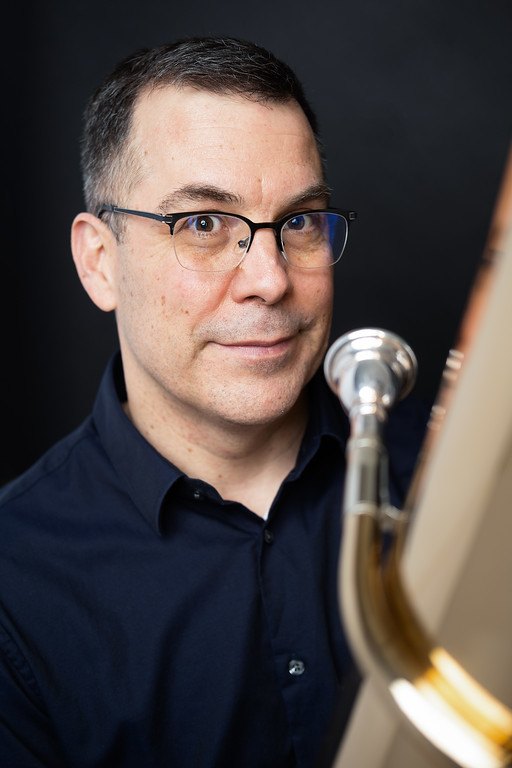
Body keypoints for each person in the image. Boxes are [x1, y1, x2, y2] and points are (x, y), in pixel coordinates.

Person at [0, 36, 427, 767]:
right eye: (202, 224)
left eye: (299, 221)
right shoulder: (15, 582)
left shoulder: (441, 478)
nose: (270, 279)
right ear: (100, 263)